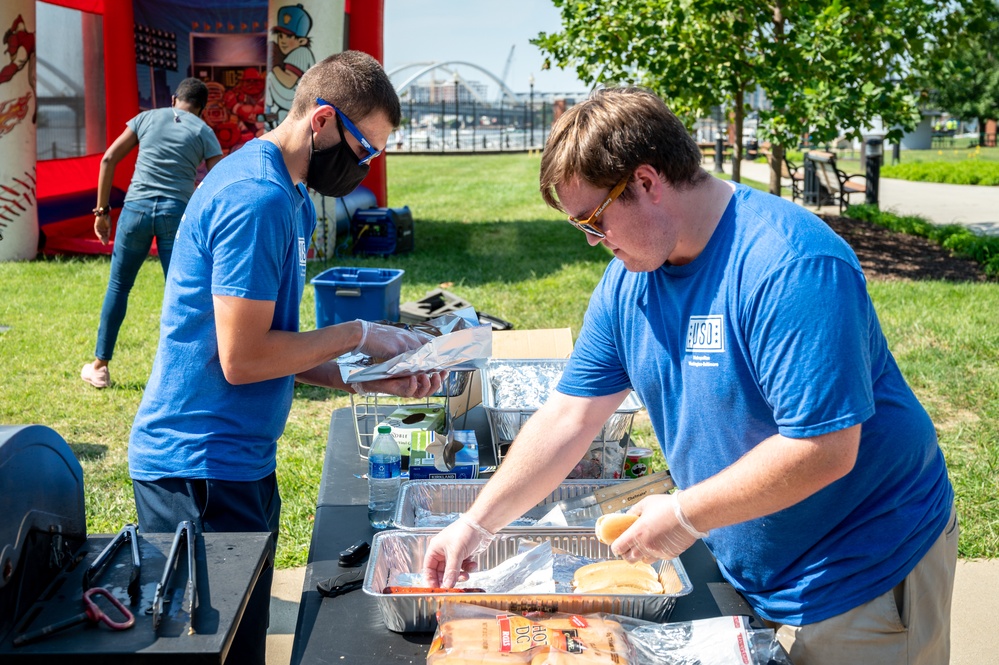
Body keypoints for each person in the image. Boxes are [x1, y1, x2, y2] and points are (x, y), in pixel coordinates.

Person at [423, 87, 956, 665]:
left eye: (594, 222)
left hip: (862, 565)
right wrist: (476, 524)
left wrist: (683, 515)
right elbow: (570, 416)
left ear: (647, 182)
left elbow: (825, 449)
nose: (595, 244)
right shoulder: (630, 283)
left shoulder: (790, 265)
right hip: (751, 561)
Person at [128, 51, 444, 664]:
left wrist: (364, 376)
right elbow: (242, 360)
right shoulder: (258, 198)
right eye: (365, 149)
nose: (365, 166)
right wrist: (357, 332)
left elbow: (278, 347)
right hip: (198, 470)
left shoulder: (291, 194)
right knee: (211, 650)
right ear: (321, 121)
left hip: (237, 461)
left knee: (241, 642)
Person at [81, 77, 224, 388]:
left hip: (135, 211)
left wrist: (102, 212)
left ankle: (100, 366)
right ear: (200, 109)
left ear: (174, 99)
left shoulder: (146, 118)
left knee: (118, 287)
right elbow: (220, 181)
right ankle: (181, 372)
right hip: (176, 214)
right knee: (180, 294)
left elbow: (108, 158)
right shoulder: (203, 131)